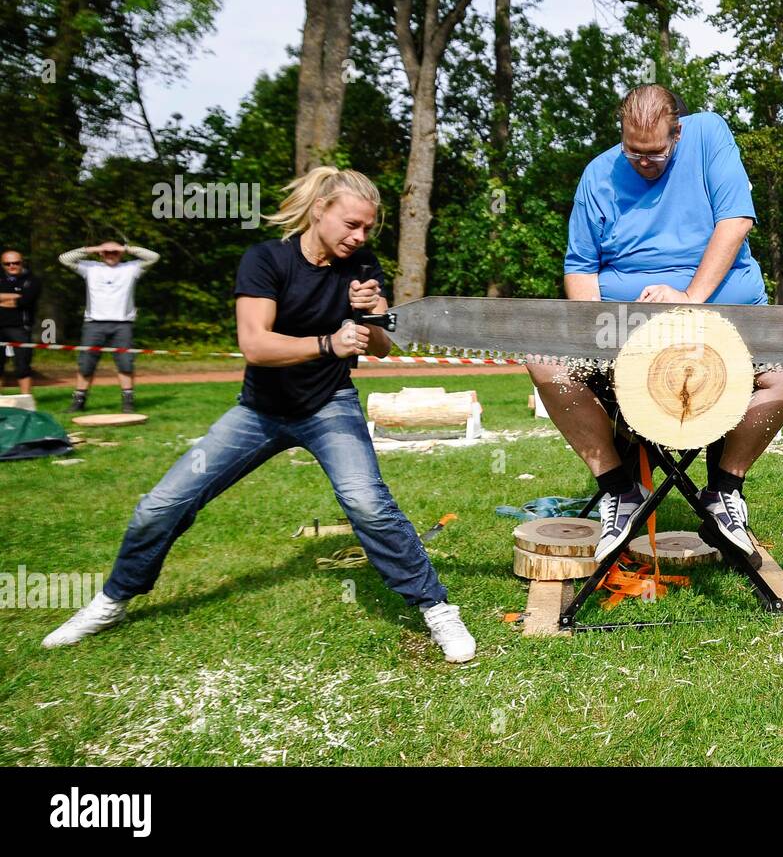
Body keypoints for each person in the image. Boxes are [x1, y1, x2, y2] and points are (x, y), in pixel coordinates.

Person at [42, 167, 476, 662]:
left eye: (367, 230)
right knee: (161, 504)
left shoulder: (362, 266)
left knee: (367, 504)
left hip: (329, 404)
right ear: (320, 211)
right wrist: (327, 342)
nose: (359, 237)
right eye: (351, 225)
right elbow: (255, 344)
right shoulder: (266, 259)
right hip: (260, 411)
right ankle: (112, 600)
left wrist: (373, 309)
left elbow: (378, 347)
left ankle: (436, 608)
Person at [530, 84, 783, 562]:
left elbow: (736, 221)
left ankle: (725, 490)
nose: (644, 162)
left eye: (656, 153)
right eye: (633, 152)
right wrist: (591, 337)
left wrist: (688, 299)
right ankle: (619, 489)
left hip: (728, 333)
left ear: (677, 133)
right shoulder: (598, 175)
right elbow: (580, 265)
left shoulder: (708, 135)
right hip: (628, 344)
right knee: (544, 364)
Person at [59, 239, 159, 413]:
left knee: (125, 364)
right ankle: (79, 401)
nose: (111, 255)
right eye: (107, 252)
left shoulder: (132, 268)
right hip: (93, 324)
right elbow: (64, 258)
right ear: (100, 254)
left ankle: (128, 402)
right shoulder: (89, 268)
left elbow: (154, 256)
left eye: (115, 252)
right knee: (86, 364)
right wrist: (96, 248)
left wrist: (124, 248)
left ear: (121, 253)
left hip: (123, 325)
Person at [0, 250, 40, 395]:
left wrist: (4, 299)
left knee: (22, 366)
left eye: (15, 263)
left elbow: (24, 301)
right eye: (7, 263)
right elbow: (17, 299)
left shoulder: (32, 280)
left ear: (22, 262)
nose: (12, 266)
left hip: (20, 328)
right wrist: (13, 297)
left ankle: (26, 400)